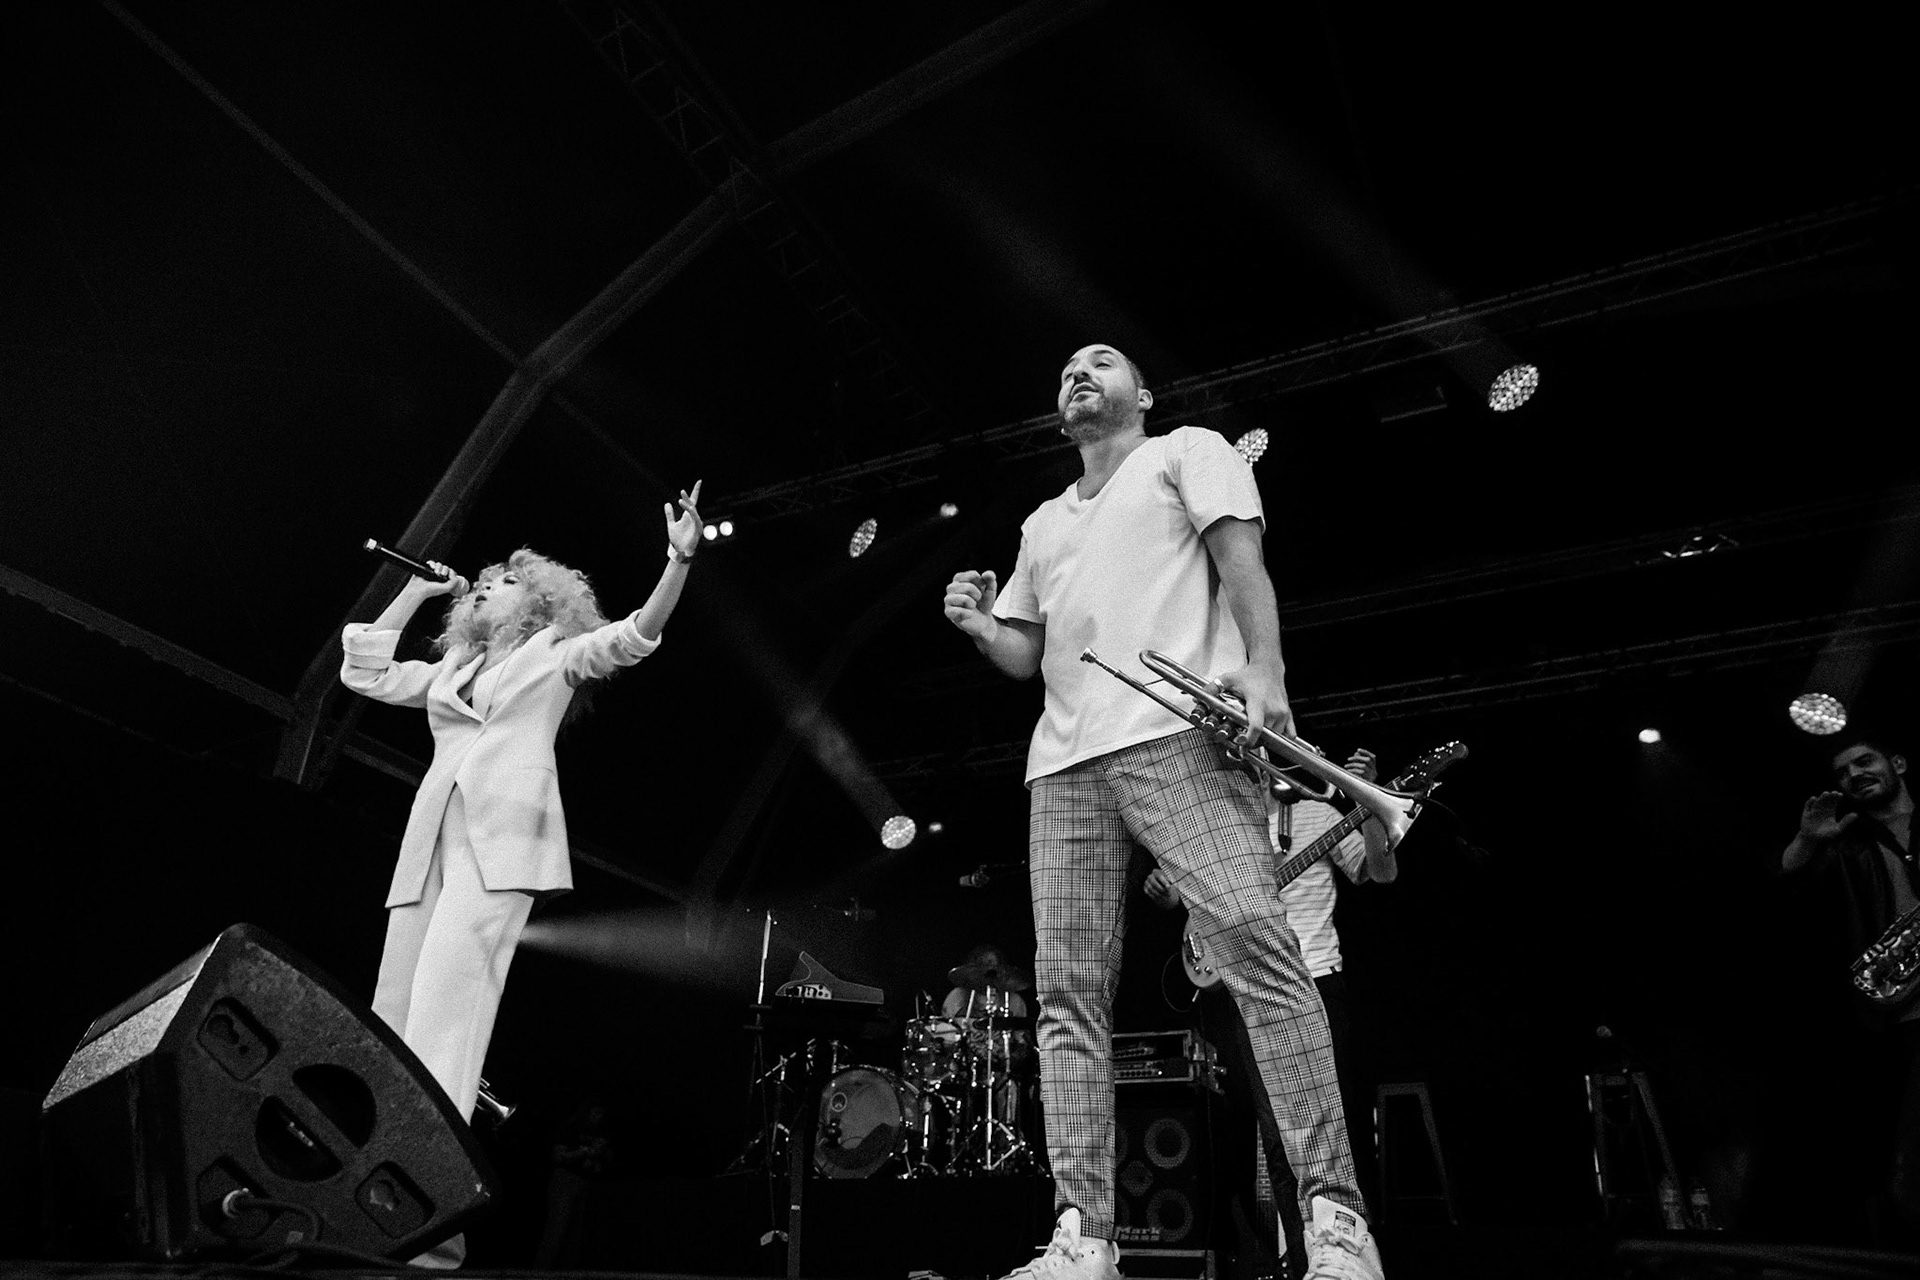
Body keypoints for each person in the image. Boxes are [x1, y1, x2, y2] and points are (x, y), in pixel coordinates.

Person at [943, 345, 1383, 1280]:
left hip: (1177, 738)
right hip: (1061, 768)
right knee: (1067, 996)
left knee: (1259, 946)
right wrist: (986, 629)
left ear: (1141, 395)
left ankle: (1336, 1216)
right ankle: (1084, 1234)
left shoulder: (1189, 448)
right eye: (1063, 368)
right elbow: (1029, 652)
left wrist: (1267, 670)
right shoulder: (1041, 523)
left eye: (1101, 363)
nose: (1076, 372)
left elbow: (1242, 559)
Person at [339, 483, 702, 1265]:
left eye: (507, 577)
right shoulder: (453, 665)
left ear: (539, 603)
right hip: (433, 842)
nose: (488, 581)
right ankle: (377, 1212)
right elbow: (363, 670)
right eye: (488, 576)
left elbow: (636, 637)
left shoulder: (553, 657)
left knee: (445, 1028)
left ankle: (430, 1240)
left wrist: (677, 559)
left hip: (498, 850)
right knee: (391, 1021)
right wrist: (416, 589)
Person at [1146, 747, 1393, 1278]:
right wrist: (1164, 891)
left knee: (1339, 1133)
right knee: (1278, 1143)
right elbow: (1184, 903)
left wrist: (1370, 805)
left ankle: (1356, 1258)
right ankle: (1306, 1265)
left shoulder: (1312, 814)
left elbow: (1381, 871)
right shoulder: (1210, 835)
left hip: (1317, 984)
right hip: (1249, 992)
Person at [1778, 733, 1920, 1240]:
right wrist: (1811, 838)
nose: (1855, 774)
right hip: (1903, 1017)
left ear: (1897, 763)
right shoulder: (1847, 842)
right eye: (1843, 772)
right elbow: (1790, 872)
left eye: (1865, 761)